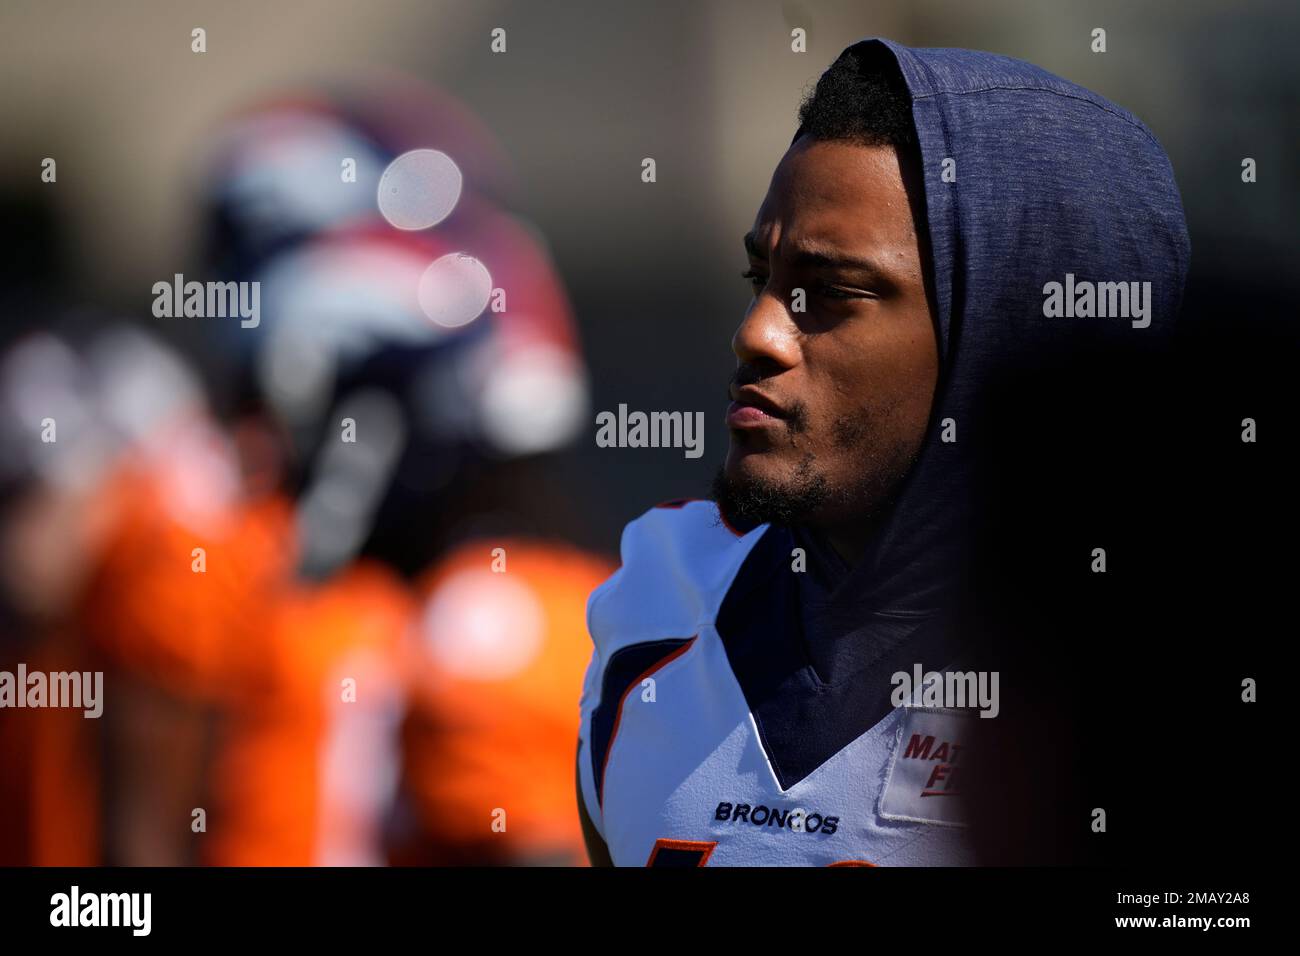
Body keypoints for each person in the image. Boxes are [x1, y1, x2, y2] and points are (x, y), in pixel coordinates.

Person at [577, 37, 1188, 866]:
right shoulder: (658, 595)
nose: (755, 334)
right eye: (758, 279)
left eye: (830, 293)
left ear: (1007, 331)